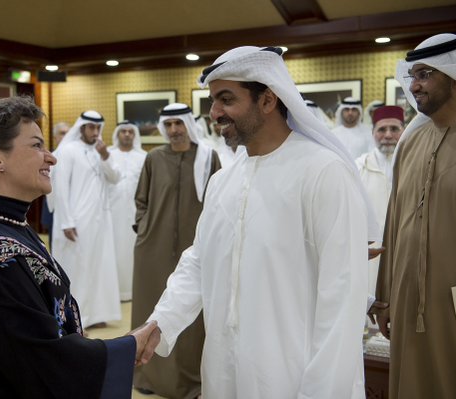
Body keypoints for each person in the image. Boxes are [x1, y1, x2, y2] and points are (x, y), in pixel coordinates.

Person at [142, 46, 379, 398]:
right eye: (213, 101)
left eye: (226, 99)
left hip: (293, 372)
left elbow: (343, 296)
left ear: (268, 99)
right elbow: (199, 260)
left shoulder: (322, 171)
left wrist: (322, 389)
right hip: (224, 366)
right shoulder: (224, 179)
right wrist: (160, 324)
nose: (215, 113)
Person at [0, 96, 159, 399]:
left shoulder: (4, 225)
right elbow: (45, 363)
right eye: (36, 146)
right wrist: (129, 346)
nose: (51, 157)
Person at [370, 33, 456, 398]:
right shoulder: (412, 141)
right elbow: (393, 222)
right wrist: (385, 296)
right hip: (408, 299)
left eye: (425, 74)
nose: (414, 85)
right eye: (412, 75)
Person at [132, 103, 221, 398]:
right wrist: (143, 228)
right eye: (168, 125)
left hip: (195, 249)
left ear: (188, 125)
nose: (173, 131)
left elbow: (220, 201)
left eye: (178, 124)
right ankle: (149, 378)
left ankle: (189, 382)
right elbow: (141, 199)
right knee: (152, 308)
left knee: (190, 312)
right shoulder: (154, 158)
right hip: (153, 249)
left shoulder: (208, 158)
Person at [50, 111, 122, 328]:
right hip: (77, 220)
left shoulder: (101, 151)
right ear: (81, 128)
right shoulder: (67, 151)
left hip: (101, 220)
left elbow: (115, 178)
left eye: (98, 128)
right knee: (78, 269)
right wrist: (66, 221)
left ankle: (96, 315)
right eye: (91, 127)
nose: (95, 132)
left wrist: (106, 156)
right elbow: (60, 188)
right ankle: (74, 321)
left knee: (99, 266)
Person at [355, 105, 404, 312]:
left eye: (394, 129)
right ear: (373, 133)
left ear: (404, 130)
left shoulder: (413, 162)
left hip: (403, 247)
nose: (388, 135)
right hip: (369, 252)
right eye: (382, 130)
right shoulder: (358, 166)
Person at [107, 120, 146, 301]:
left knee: (132, 251)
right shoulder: (108, 154)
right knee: (113, 251)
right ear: (118, 134)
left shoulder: (144, 156)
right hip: (112, 212)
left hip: (135, 213)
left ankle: (131, 291)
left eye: (131, 132)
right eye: (124, 131)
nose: (127, 135)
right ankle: (114, 292)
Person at [40, 121, 70, 248]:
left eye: (68, 133)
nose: (66, 136)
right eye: (62, 133)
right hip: (53, 208)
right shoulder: (49, 157)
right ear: (55, 137)